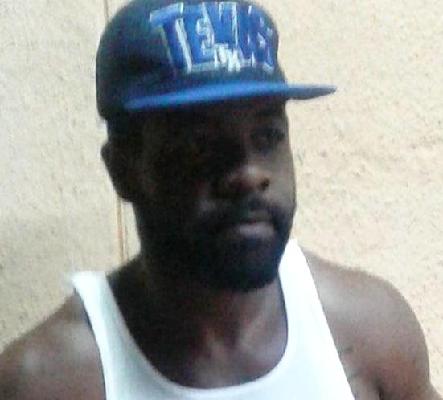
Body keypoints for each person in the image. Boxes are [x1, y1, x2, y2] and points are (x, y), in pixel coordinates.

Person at [0, 0, 441, 399]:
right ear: (123, 170)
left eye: (267, 136)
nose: (249, 174)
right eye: (201, 145)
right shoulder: (52, 379)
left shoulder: (369, 331)